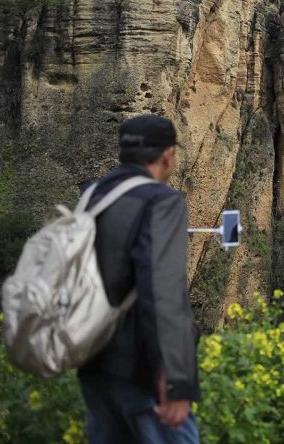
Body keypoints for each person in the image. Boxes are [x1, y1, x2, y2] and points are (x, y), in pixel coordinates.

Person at [78, 115, 200, 444]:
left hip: (94, 363)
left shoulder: (91, 196)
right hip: (143, 372)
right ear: (168, 155)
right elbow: (163, 293)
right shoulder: (162, 201)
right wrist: (176, 378)